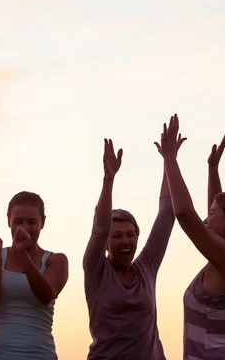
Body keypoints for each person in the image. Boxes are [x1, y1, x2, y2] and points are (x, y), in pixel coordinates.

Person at [157, 115, 225, 359]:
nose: (206, 220)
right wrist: (212, 169)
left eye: (211, 214)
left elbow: (186, 215)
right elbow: (215, 212)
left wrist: (169, 159)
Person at [83, 137, 184, 359]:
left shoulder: (145, 268)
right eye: (116, 236)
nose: (125, 241)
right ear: (107, 244)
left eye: (130, 235)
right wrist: (108, 179)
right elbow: (99, 229)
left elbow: (167, 214)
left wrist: (169, 160)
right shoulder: (96, 271)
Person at [0, 191, 69, 360]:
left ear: (42, 223)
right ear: (8, 221)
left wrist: (22, 256)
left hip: (39, 354)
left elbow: (45, 295)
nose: (24, 228)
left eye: (31, 222)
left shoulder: (55, 260)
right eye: (18, 221)